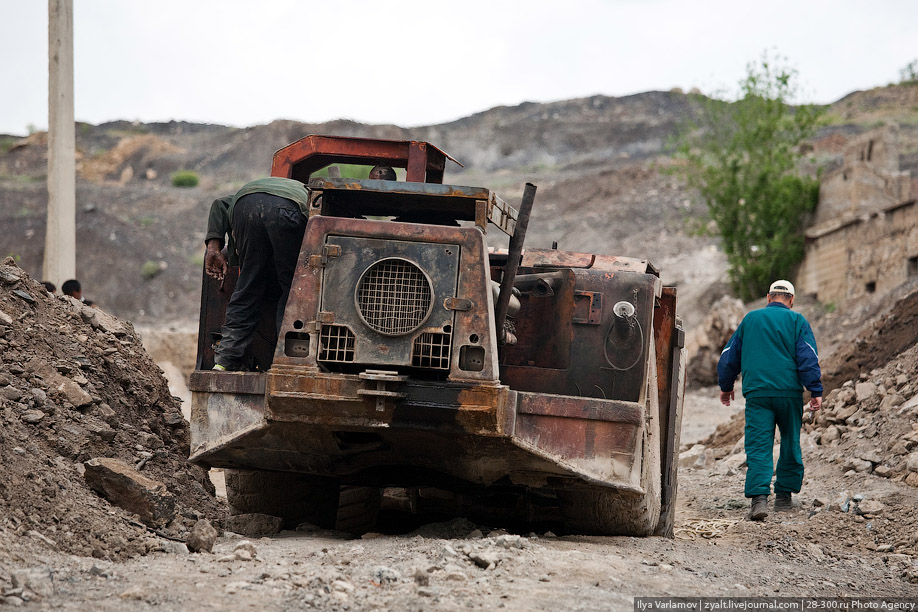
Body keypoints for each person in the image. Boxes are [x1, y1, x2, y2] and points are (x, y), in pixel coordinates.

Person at [717, 280, 822, 521]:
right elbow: (808, 357)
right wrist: (815, 390)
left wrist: (726, 387)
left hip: (758, 394)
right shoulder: (797, 321)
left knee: (758, 445)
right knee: (790, 442)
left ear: (768, 297)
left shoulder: (750, 319)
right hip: (789, 394)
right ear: (792, 300)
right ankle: (784, 496)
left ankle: (759, 501)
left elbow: (728, 357)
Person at [204, 177, 310, 371]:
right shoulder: (311, 196)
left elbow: (219, 204)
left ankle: (224, 362)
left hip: (245, 204)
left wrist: (214, 247)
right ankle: (285, 361)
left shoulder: (262, 187)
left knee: (248, 287)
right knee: (293, 290)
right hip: (288, 211)